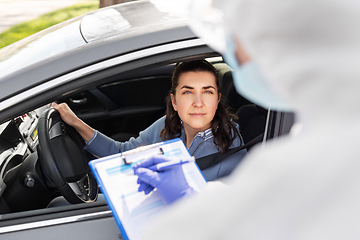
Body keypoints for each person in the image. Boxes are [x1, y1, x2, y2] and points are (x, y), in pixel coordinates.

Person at [132, 0, 360, 239]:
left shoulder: (301, 166)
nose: (231, 51)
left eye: (235, 36)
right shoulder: (326, 139)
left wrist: (190, 199)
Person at [54, 59, 247, 181]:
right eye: (188, 92)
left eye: (207, 92)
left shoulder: (230, 144)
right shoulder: (169, 125)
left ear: (217, 99)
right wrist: (75, 122)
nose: (198, 103)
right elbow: (121, 152)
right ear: (175, 100)